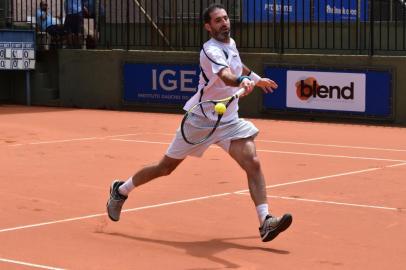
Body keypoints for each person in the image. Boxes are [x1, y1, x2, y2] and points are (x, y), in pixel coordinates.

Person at [106, 3, 293, 242]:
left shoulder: (231, 43)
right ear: (208, 26)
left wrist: (254, 79)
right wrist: (241, 81)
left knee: (252, 162)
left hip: (228, 121)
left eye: (225, 19)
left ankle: (265, 221)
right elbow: (226, 74)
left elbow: (238, 66)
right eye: (218, 21)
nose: (224, 23)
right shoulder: (210, 51)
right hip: (201, 121)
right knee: (165, 168)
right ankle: (121, 190)